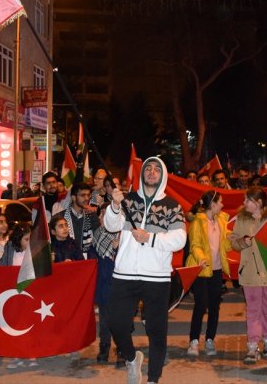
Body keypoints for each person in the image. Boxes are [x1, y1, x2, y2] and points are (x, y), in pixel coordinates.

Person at [105, 156, 186, 384]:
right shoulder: (127, 200)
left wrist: (150, 238)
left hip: (157, 277)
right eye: (148, 168)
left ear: (163, 176)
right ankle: (132, 359)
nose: (151, 172)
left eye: (156, 169)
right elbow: (111, 226)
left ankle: (153, 379)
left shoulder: (172, 205)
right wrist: (114, 205)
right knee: (116, 324)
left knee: (156, 331)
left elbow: (180, 239)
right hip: (124, 273)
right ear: (142, 174)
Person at [230, 186, 267, 364]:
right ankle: (252, 345)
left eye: (248, 200)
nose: (244, 203)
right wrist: (241, 242)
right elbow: (233, 242)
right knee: (253, 311)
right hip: (249, 274)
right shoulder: (241, 219)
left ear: (259, 202)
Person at [185, 190, 231, 357]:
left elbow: (225, 245)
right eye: (220, 202)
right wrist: (202, 258)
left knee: (214, 306)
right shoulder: (198, 222)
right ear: (212, 204)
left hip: (217, 270)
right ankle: (194, 341)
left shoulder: (221, 221)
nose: (223, 205)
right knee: (201, 304)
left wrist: (234, 240)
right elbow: (194, 245)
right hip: (202, 269)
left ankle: (210, 339)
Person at [0, 222, 37, 369]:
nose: (29, 242)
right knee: (15, 325)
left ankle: (30, 353)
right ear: (18, 239)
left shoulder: (34, 251)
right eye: (26, 239)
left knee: (29, 324)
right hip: (13, 293)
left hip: (29, 293)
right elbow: (2, 266)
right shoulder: (9, 248)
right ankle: (16, 355)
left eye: (31, 239)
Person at [89, 206, 120, 364]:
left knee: (121, 317)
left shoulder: (123, 234)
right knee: (105, 318)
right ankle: (104, 346)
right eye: (101, 215)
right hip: (103, 281)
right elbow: (91, 253)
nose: (103, 218)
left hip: (119, 282)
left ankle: (122, 348)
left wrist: (119, 248)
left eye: (105, 215)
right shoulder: (98, 233)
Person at [63, 183, 100, 257]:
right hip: (68, 259)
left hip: (88, 260)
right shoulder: (62, 217)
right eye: (82, 195)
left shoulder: (92, 217)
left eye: (88, 195)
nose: (87, 198)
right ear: (73, 197)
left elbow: (98, 238)